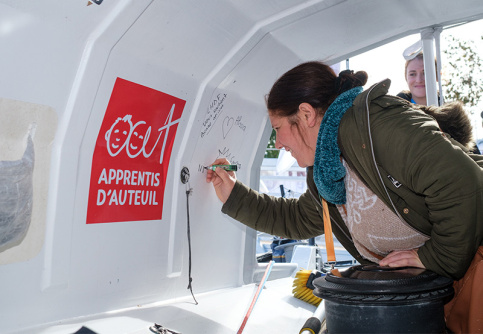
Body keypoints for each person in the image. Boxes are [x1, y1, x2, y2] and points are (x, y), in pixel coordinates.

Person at [206, 61, 483, 332]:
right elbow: (298, 218)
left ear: (306, 114)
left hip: (472, 276)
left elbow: (464, 183)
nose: (277, 143)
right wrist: (234, 194)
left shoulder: (378, 125)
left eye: (278, 129)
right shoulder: (326, 169)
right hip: (428, 295)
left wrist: (436, 257)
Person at [397, 51, 481, 154]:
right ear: (406, 77)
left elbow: (474, 159)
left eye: (425, 73)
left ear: (437, 76)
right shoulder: (395, 115)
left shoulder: (455, 119)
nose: (419, 79)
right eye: (412, 74)